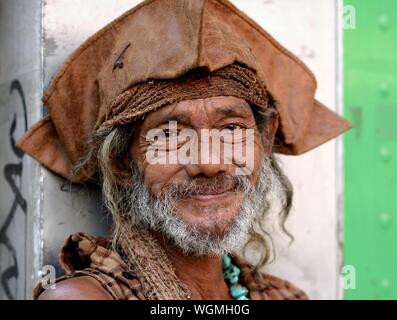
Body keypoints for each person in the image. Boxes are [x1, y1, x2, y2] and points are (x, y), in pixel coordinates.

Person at [16, 0, 351, 300]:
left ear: (263, 141)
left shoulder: (285, 296)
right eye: (171, 135)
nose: (208, 163)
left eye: (232, 129)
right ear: (121, 162)